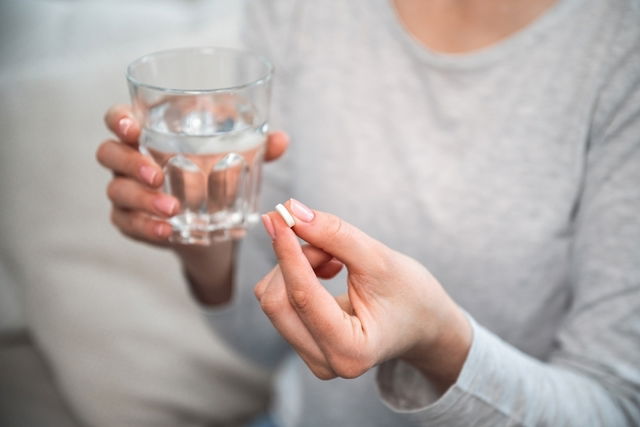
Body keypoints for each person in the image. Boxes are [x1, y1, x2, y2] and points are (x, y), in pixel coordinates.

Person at [96, 0, 640, 425]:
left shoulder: (619, 49)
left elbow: (617, 407)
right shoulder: (302, 11)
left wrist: (438, 341)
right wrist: (199, 237)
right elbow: (259, 339)